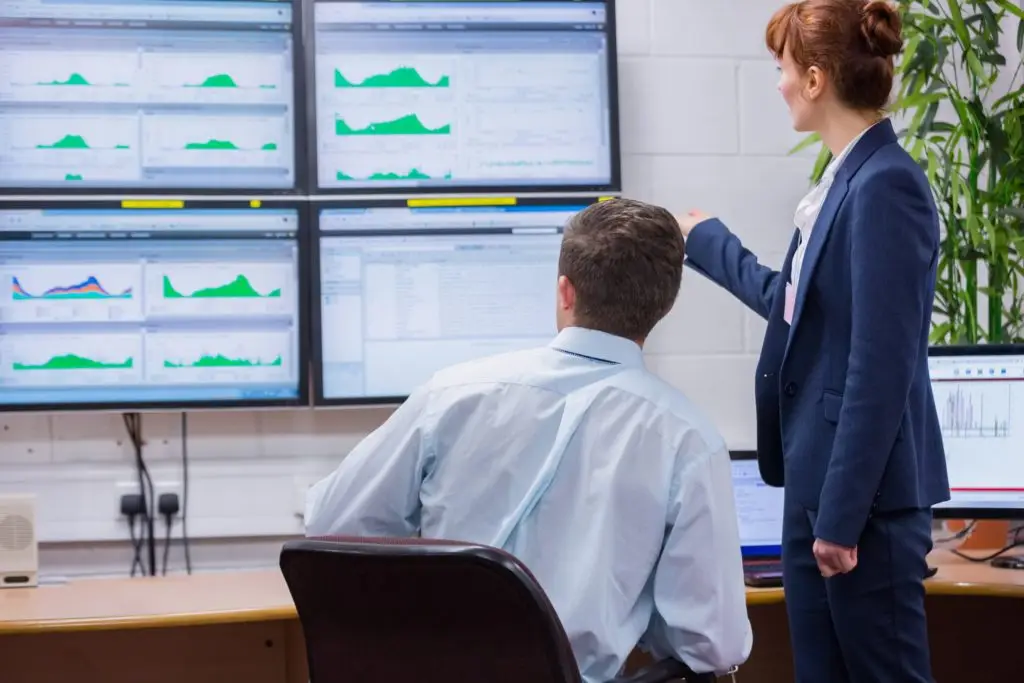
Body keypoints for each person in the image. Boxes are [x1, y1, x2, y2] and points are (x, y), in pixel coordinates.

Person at [305, 198, 752, 681]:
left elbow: (331, 523)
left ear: (565, 291)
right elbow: (712, 643)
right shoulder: (687, 438)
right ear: (666, 305)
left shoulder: (450, 393)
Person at [679, 1, 949, 681]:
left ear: (816, 79)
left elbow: (879, 368)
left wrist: (841, 516)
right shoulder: (842, 182)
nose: (776, 83)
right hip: (815, 487)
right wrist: (712, 245)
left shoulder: (888, 187)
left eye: (783, 68)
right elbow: (800, 313)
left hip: (862, 506)